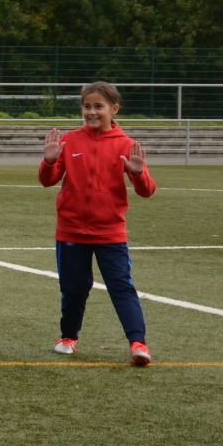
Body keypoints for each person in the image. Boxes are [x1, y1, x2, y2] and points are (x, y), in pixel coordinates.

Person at [39, 81, 156, 365]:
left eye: (98, 106)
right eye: (87, 106)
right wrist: (50, 161)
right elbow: (47, 180)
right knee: (74, 288)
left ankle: (138, 343)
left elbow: (147, 190)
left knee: (121, 286)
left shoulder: (127, 145)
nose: (91, 112)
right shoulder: (70, 140)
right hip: (71, 230)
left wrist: (139, 174)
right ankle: (69, 337)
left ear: (113, 109)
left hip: (110, 232)